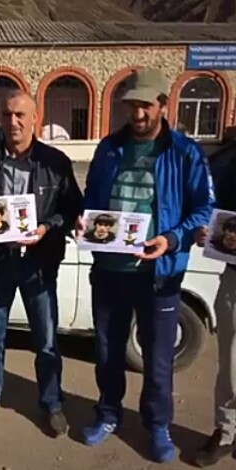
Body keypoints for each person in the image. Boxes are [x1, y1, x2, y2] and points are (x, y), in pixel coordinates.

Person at [76, 68, 212, 463]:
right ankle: (108, 414)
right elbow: (92, 197)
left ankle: (157, 425)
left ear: (163, 105)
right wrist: (84, 220)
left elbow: (203, 208)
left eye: (145, 106)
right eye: (131, 105)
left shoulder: (184, 152)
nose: (137, 114)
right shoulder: (109, 148)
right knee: (108, 351)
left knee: (157, 359)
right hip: (109, 271)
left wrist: (171, 239)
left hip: (159, 274)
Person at [0, 89, 83, 437]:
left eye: (20, 115)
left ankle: (52, 402)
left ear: (34, 119)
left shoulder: (55, 162)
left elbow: (72, 208)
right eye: (7, 114)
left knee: (46, 339)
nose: (13, 121)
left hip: (38, 263)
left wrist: (47, 228)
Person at [193, 156, 236, 467]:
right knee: (231, 364)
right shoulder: (227, 165)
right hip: (234, 279)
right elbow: (212, 211)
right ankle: (227, 431)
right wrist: (204, 231)